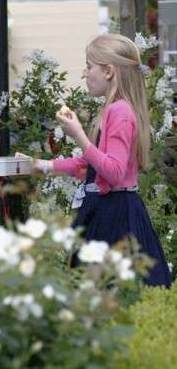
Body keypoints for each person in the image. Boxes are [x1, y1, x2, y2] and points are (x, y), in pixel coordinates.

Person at [26, 34, 171, 287]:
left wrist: (79, 135)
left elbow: (113, 171)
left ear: (108, 71)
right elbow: (89, 163)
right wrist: (42, 165)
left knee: (103, 293)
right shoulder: (116, 109)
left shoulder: (120, 112)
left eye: (89, 66)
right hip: (110, 209)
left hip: (114, 215)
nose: (85, 73)